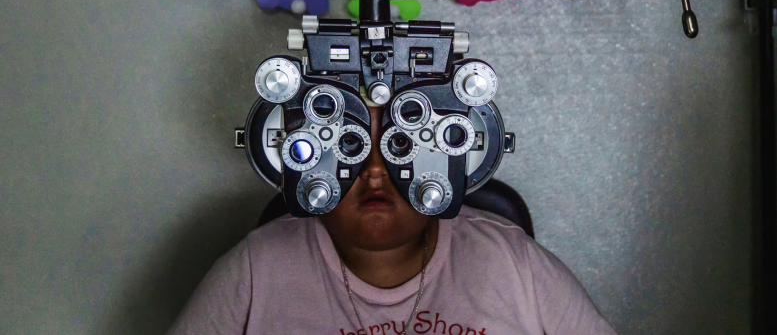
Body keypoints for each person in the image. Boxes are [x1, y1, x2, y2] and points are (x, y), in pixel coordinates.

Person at [167, 105, 617, 335]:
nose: (376, 170)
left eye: (400, 149)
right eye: (350, 147)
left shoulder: (512, 261)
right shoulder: (256, 267)